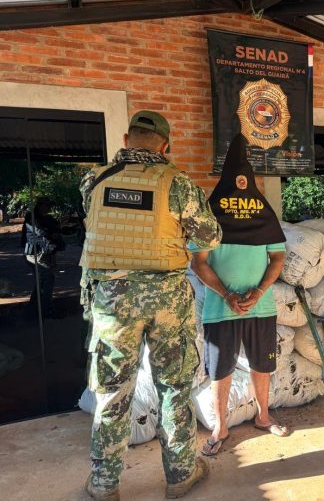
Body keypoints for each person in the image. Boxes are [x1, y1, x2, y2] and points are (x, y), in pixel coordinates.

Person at [80, 111, 222, 500]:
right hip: (167, 298)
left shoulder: (95, 179)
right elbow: (210, 235)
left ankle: (105, 485)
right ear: (166, 144)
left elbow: (94, 223)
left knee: (112, 390)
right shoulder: (178, 184)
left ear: (127, 138)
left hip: (112, 298)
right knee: (174, 387)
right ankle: (180, 474)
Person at [190, 136, 289, 457]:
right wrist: (228, 295)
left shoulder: (265, 216)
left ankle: (263, 417)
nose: (241, 187)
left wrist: (258, 292)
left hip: (261, 308)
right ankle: (220, 427)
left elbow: (278, 258)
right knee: (221, 370)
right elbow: (198, 262)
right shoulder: (209, 216)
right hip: (222, 309)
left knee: (263, 365)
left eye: (245, 180)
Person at [21, 196, 64, 317]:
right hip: (35, 255)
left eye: (49, 206)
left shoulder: (48, 219)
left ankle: (33, 309)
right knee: (47, 280)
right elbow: (39, 235)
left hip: (45, 254)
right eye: (45, 205)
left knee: (41, 282)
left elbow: (56, 232)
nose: (48, 208)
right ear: (39, 205)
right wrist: (51, 240)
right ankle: (46, 311)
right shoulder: (32, 218)